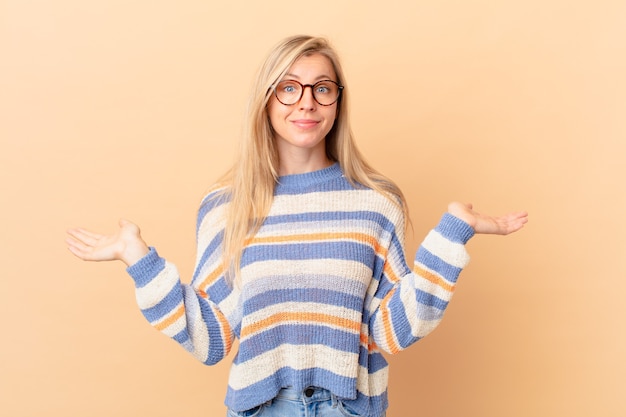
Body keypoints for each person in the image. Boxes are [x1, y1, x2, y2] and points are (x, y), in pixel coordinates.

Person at [66, 35, 528, 417]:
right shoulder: (226, 206)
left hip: (352, 408)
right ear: (267, 100)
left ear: (337, 102)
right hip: (260, 408)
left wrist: (451, 235)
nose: (306, 102)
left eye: (322, 88)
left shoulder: (375, 202)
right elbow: (211, 337)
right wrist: (138, 259)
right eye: (289, 88)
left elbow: (392, 330)